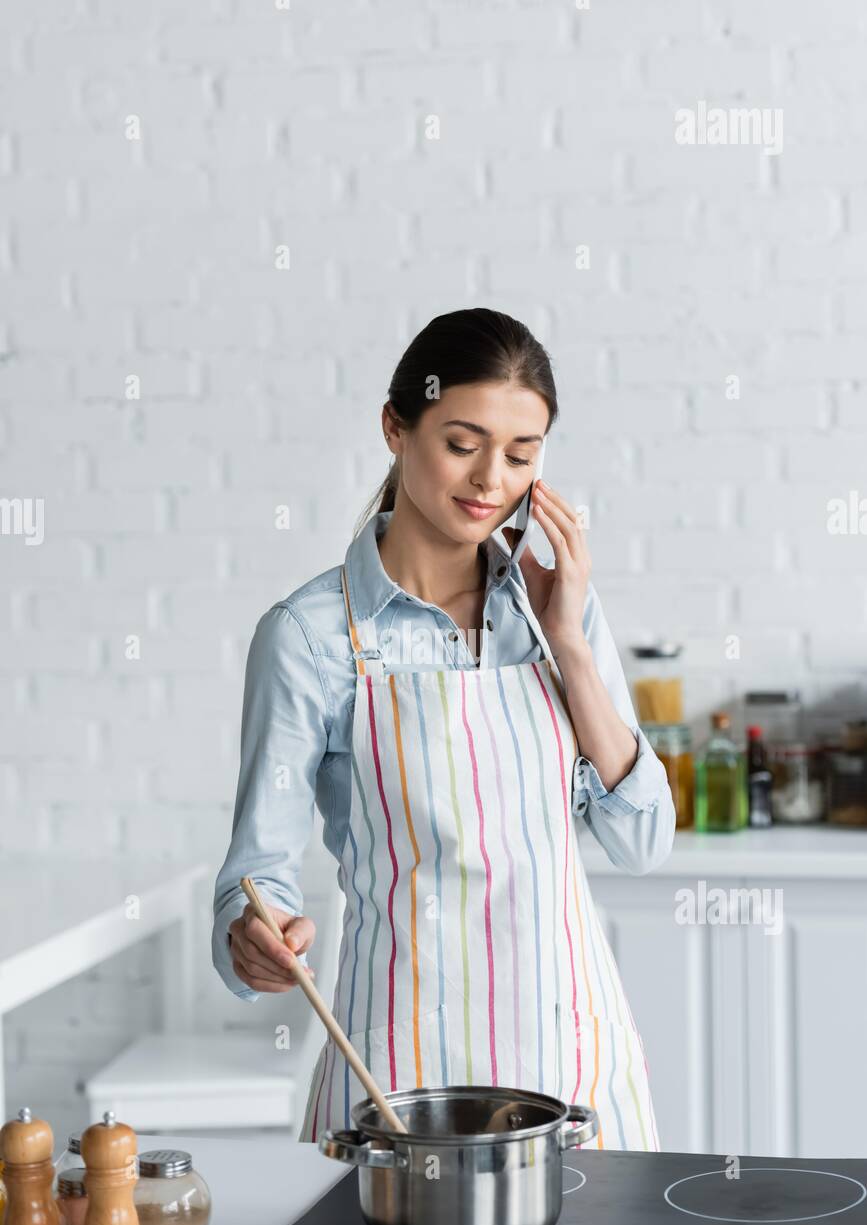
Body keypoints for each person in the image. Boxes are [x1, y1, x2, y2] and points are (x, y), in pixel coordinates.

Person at [212, 307, 675, 1150]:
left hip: (570, 1055)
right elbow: (255, 875)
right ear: (396, 427)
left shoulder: (556, 612)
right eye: (462, 443)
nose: (489, 479)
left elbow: (641, 839)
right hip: (401, 1071)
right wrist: (254, 937)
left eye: (520, 455)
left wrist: (567, 638)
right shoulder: (311, 635)